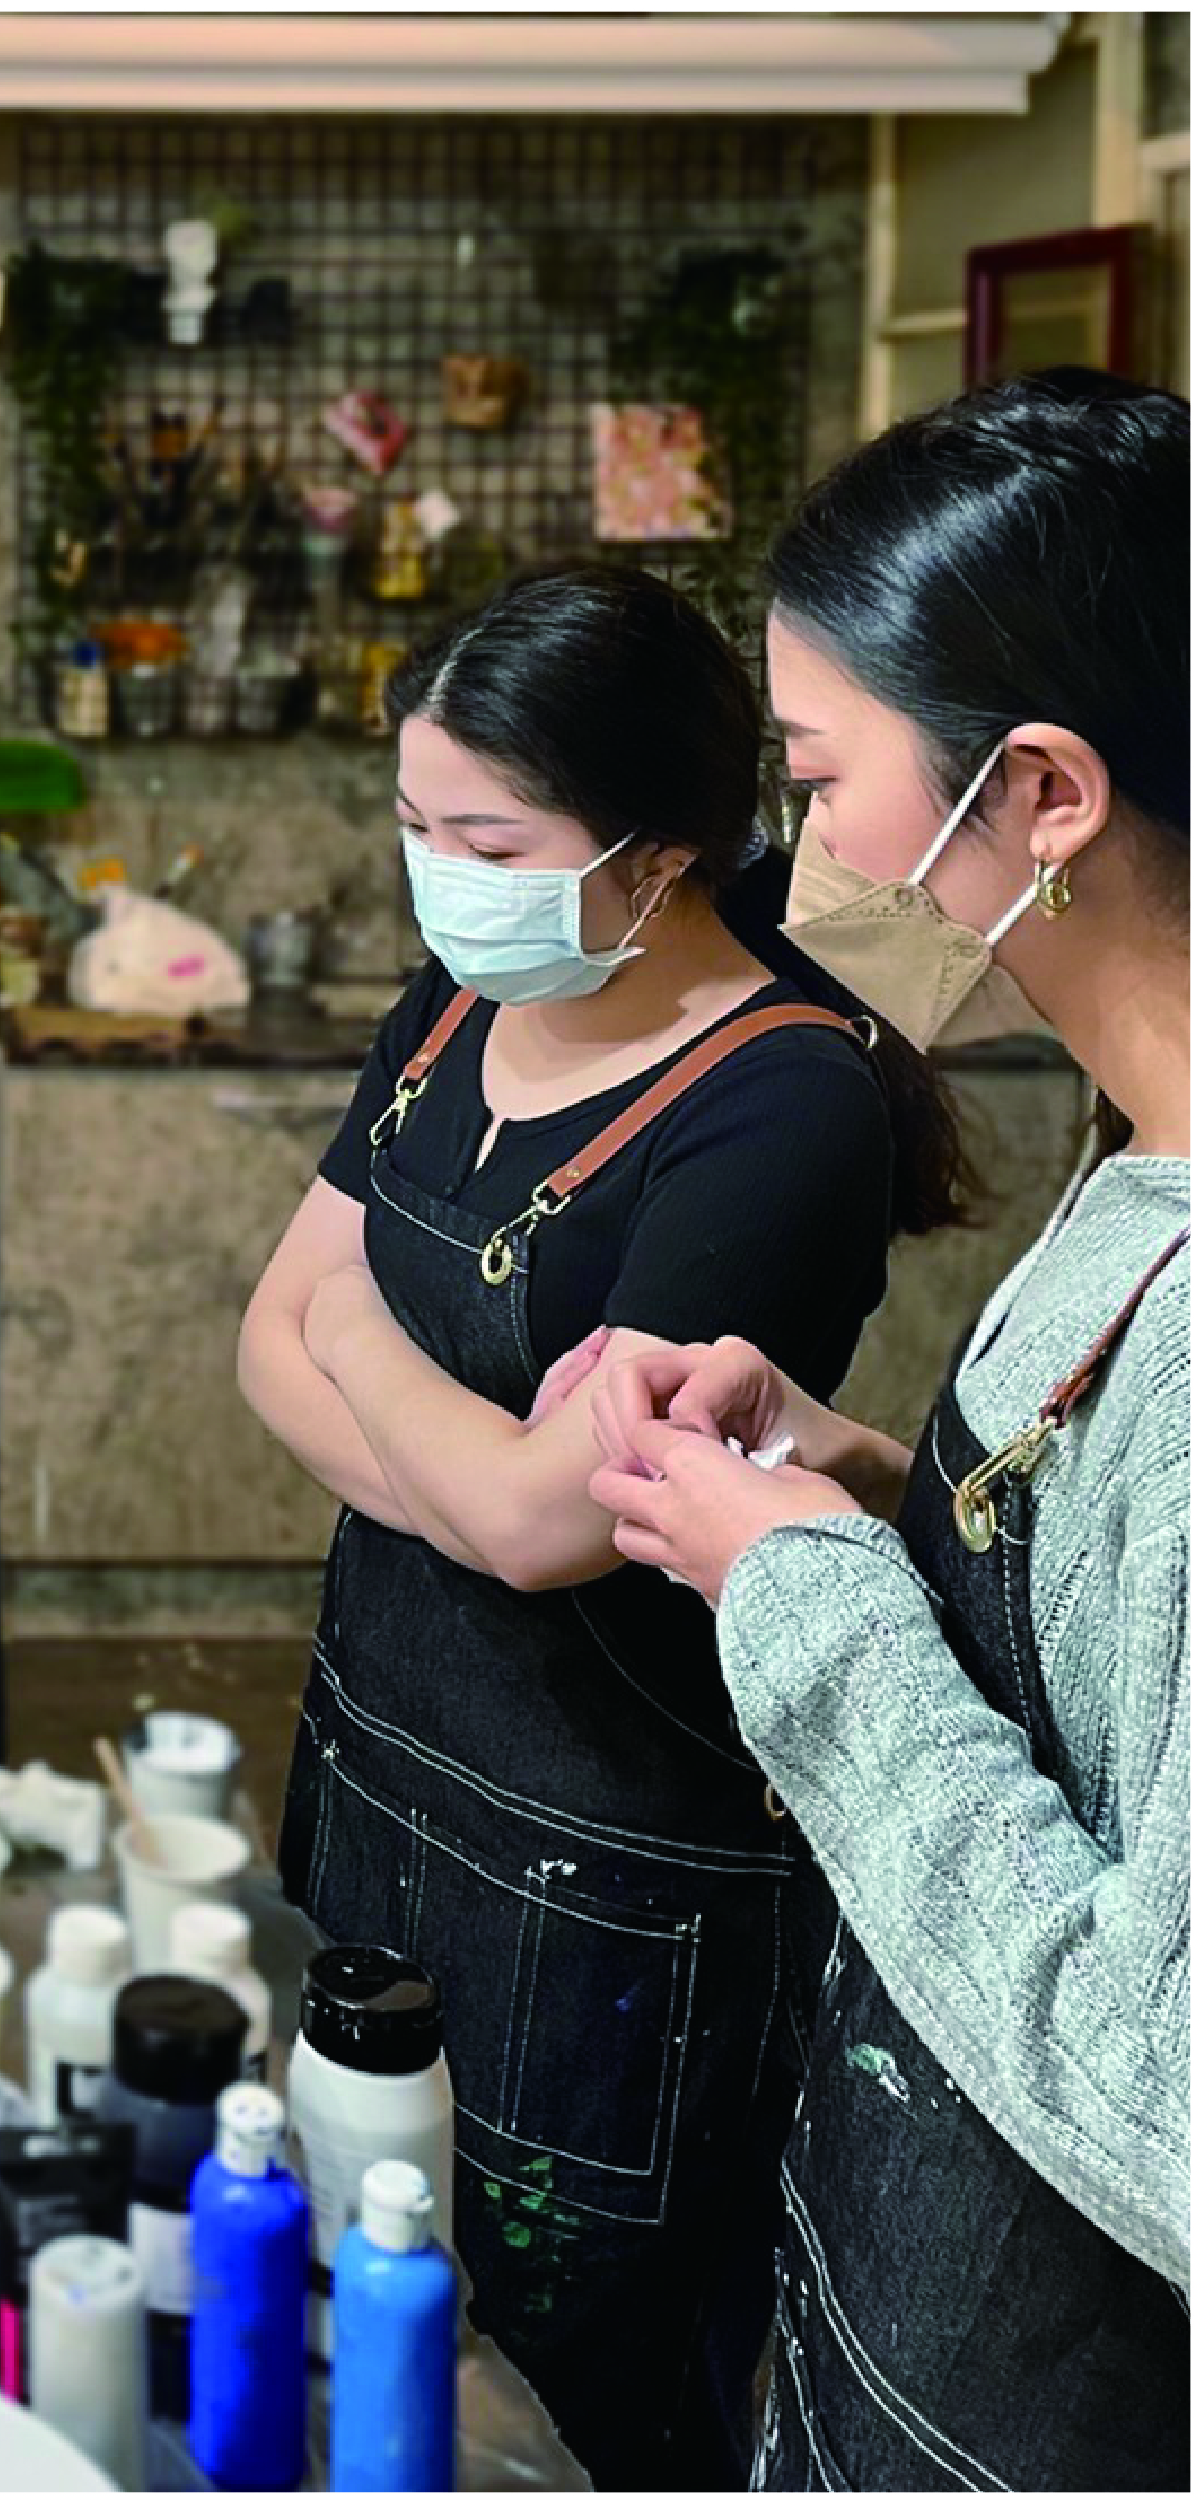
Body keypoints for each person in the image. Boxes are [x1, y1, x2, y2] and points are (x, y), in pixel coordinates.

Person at [239, 560, 972, 2488]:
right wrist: (462, 1464)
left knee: (563, 2405)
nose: (440, 881)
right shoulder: (457, 1003)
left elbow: (547, 1523)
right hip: (382, 1774)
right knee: (357, 2317)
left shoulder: (782, 1106)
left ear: (662, 855)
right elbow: (272, 1352)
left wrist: (361, 1342)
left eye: (488, 843)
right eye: (416, 828)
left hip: (611, 1898)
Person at [588, 369, 1189, 2490]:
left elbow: (1171, 2102)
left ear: (1039, 792)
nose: (807, 855)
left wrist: (806, 1604)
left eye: (824, 775)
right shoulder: (1134, 1165)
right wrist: (863, 1477)